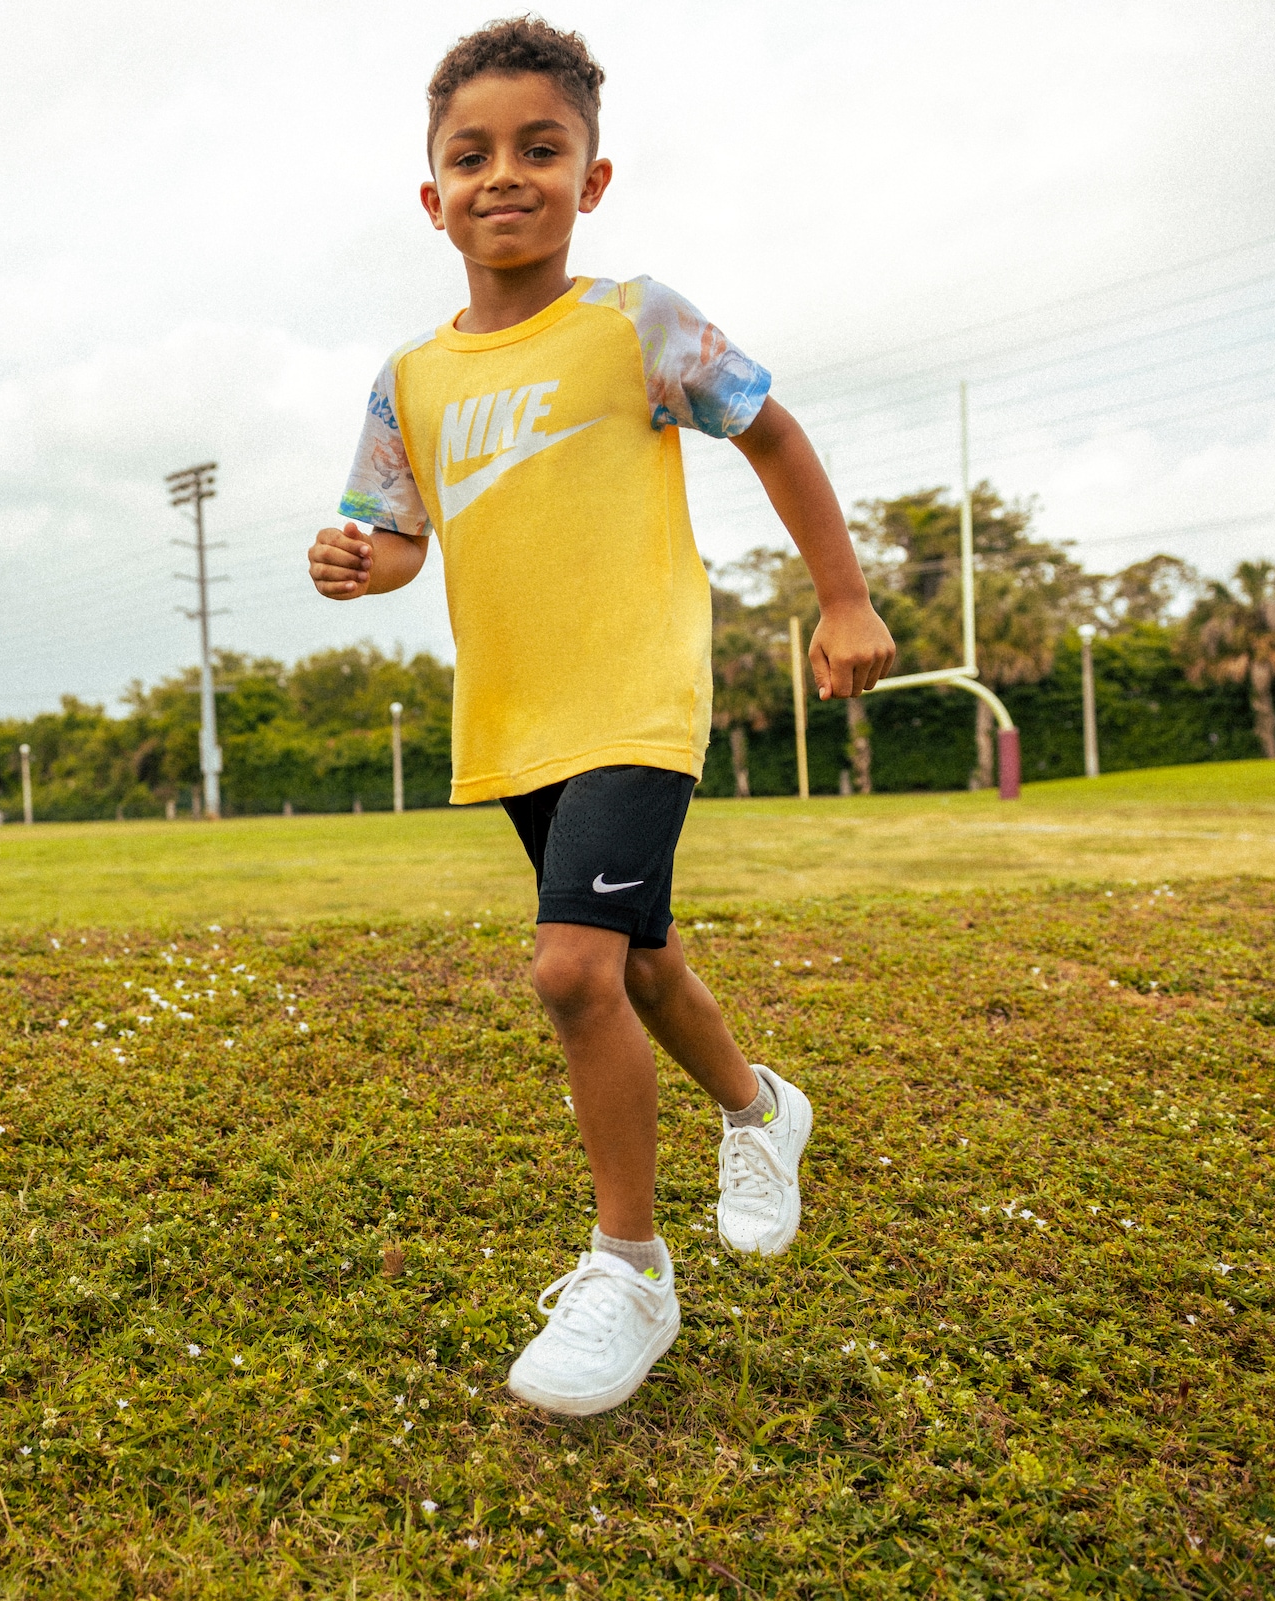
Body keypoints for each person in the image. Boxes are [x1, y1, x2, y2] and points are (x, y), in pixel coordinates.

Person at [306, 16, 895, 1417]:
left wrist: (844, 598)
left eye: (540, 148)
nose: (504, 174)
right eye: (472, 154)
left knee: (571, 969)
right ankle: (760, 1108)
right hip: (515, 717)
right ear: (431, 192)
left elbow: (773, 430)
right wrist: (352, 562)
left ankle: (629, 1269)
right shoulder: (409, 379)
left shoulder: (634, 321)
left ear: (594, 176)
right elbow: (394, 536)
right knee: (635, 964)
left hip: (637, 694)